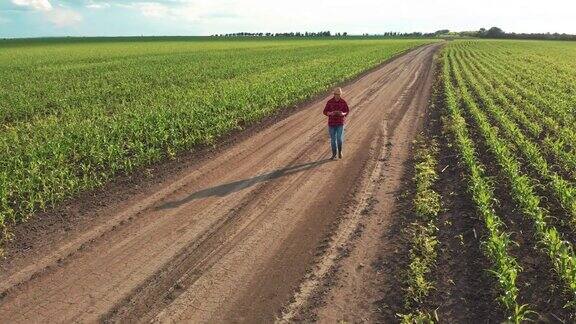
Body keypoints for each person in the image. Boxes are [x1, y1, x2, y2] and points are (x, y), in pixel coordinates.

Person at [323, 87, 349, 160]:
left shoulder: (343, 102)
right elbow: (324, 111)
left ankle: (340, 152)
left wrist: (343, 114)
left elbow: (347, 111)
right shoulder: (329, 102)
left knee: (339, 139)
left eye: (339, 94)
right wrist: (330, 113)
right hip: (331, 123)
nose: (338, 96)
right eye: (336, 94)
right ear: (334, 94)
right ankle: (334, 154)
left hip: (340, 123)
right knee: (333, 140)